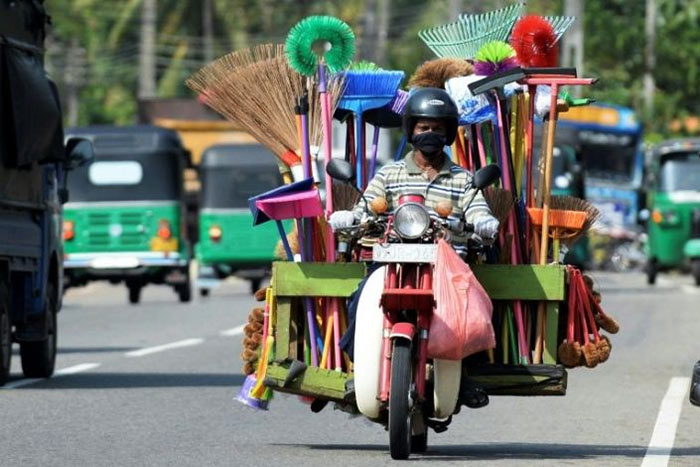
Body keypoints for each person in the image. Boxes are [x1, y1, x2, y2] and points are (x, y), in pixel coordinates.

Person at [329, 87, 500, 252]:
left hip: (449, 267)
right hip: (393, 260)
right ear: (411, 130)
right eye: (424, 128)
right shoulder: (388, 175)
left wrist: (483, 221)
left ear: (448, 133)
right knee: (370, 282)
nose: (430, 133)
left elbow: (477, 211)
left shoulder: (463, 179)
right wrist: (351, 218)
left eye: (437, 129)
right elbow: (364, 211)